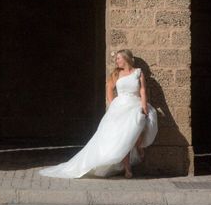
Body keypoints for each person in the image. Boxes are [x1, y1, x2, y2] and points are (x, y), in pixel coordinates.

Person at [39, 49, 157, 179]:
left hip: (135, 105)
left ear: (126, 58)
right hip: (120, 107)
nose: (116, 61)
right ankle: (127, 169)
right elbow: (109, 90)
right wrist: (114, 106)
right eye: (116, 59)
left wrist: (144, 107)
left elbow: (143, 90)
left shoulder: (138, 73)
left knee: (138, 128)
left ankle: (139, 147)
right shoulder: (116, 74)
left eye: (119, 58)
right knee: (124, 138)